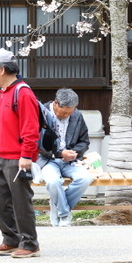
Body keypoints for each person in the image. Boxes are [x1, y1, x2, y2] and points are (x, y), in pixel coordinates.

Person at [0, 48, 40, 259]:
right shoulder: (2, 92)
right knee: (0, 200)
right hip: (0, 155)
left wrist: (26, 155)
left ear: (2, 69)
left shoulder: (22, 93)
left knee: (21, 201)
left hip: (17, 157)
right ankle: (11, 239)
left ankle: (30, 244)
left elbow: (31, 128)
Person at [39, 88, 92, 227]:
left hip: (70, 161)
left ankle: (57, 205)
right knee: (52, 181)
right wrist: (59, 153)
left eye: (70, 112)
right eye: (64, 112)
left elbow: (84, 141)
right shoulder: (41, 113)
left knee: (85, 179)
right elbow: (35, 143)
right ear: (55, 103)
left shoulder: (77, 116)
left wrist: (74, 152)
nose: (67, 115)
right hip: (47, 160)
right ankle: (64, 214)